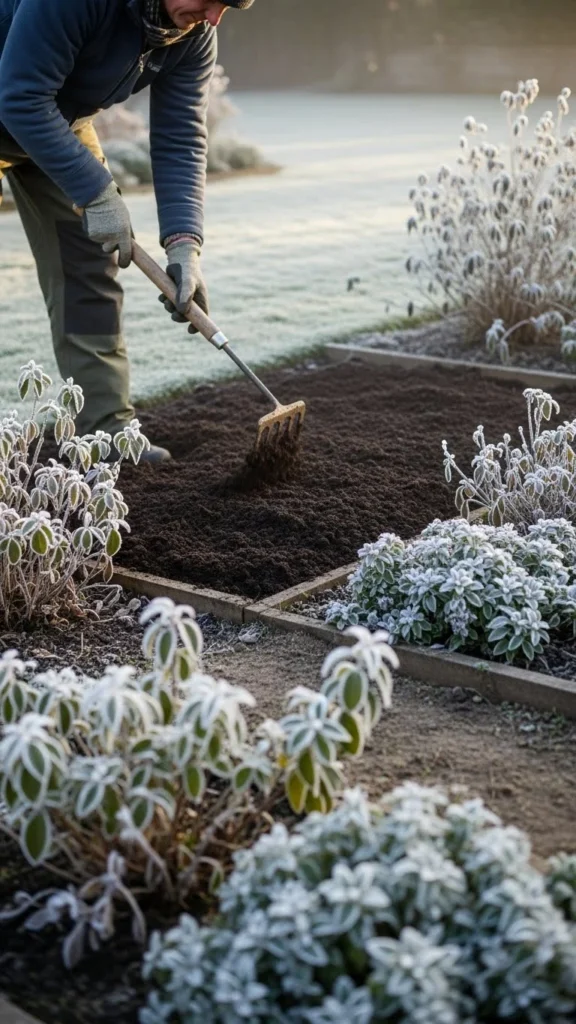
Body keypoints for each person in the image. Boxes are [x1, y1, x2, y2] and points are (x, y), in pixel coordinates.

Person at [0, 0, 254, 461]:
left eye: (226, 7)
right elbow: (19, 95)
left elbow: (180, 136)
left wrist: (184, 246)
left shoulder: (193, 34)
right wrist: (97, 191)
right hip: (23, 100)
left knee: (88, 268)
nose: (214, 17)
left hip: (55, 122)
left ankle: (105, 432)